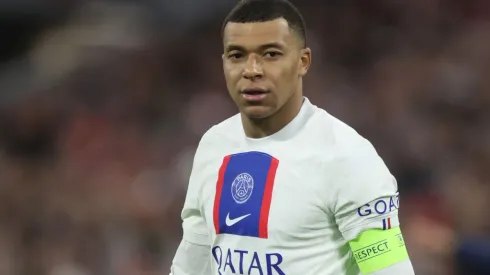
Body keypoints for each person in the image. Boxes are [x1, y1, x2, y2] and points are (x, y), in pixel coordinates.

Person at [170, 0, 415, 274]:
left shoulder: (346, 157)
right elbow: (193, 263)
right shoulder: (213, 146)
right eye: (237, 55)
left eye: (271, 54)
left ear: (303, 62)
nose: (252, 70)